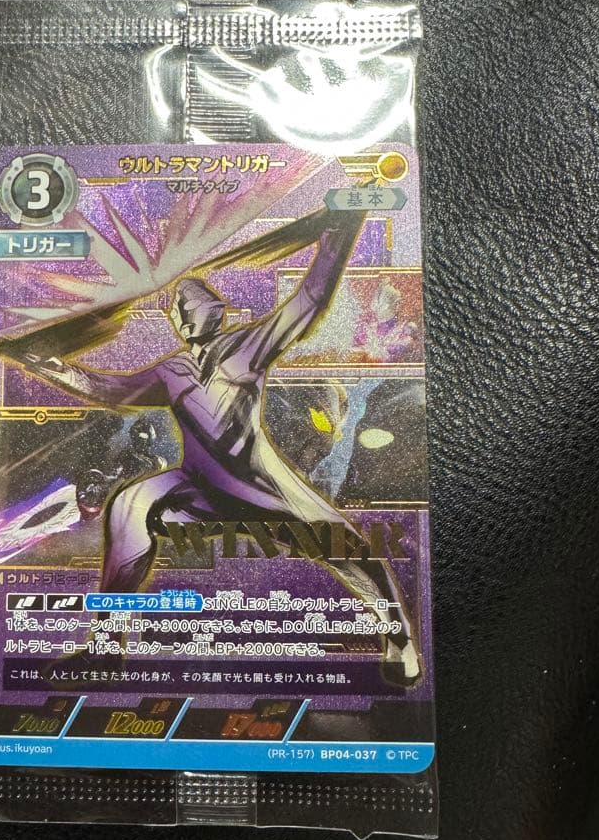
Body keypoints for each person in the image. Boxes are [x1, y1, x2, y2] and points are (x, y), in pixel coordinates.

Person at [22, 210, 421, 685]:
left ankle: (400, 642)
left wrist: (336, 240)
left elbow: (308, 302)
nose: (182, 311)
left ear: (215, 310)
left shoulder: (246, 347)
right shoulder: (172, 371)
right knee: (128, 505)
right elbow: (112, 391)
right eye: (177, 306)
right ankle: (105, 650)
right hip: (198, 489)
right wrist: (52, 367)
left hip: (263, 487)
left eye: (191, 302)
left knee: (353, 551)